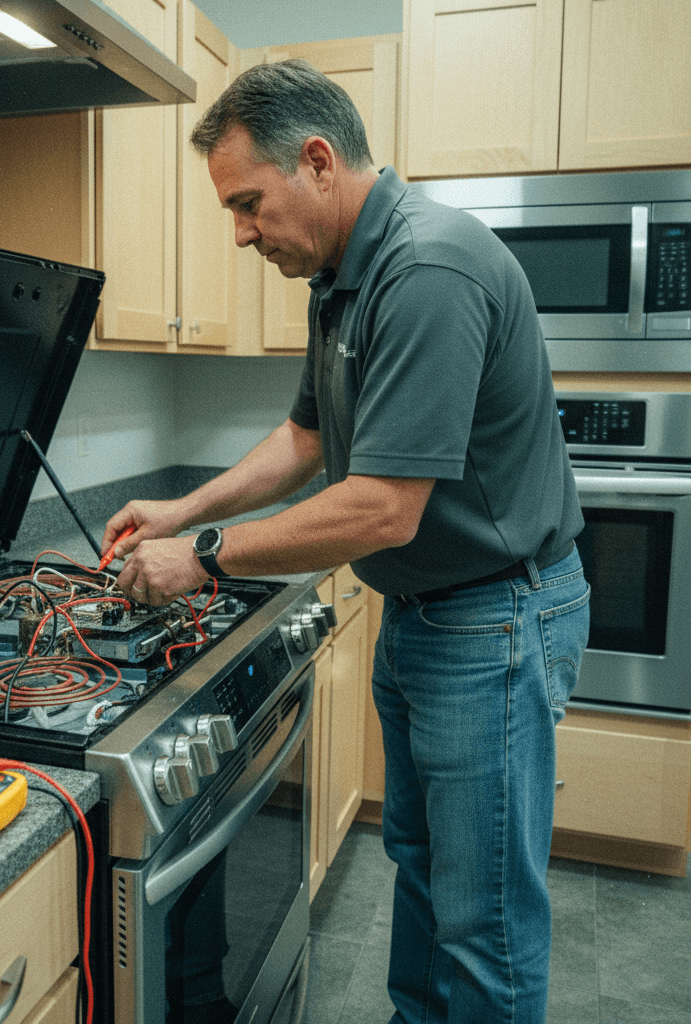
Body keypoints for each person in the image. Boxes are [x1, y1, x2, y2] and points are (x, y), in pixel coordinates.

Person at [100, 58, 590, 1024]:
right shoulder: (341, 276)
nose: (240, 232)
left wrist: (199, 563)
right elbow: (307, 439)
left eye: (248, 202)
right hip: (431, 614)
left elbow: (380, 508)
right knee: (422, 869)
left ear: (318, 162)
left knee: (482, 920)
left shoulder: (428, 269)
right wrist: (178, 513)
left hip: (494, 619)